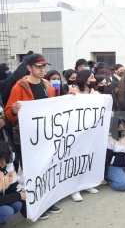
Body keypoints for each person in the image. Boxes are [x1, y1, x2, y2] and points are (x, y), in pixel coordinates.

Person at [4, 54, 61, 220]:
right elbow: (9, 114)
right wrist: (14, 110)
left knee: (44, 167)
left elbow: (54, 107)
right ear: (29, 68)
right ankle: (32, 202)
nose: (43, 70)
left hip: (44, 135)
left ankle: (45, 199)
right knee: (29, 170)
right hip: (25, 138)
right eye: (39, 66)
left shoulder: (48, 85)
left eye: (44, 66)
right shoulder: (19, 87)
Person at [67, 70, 100, 201]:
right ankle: (74, 188)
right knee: (77, 159)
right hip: (77, 131)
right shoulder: (74, 92)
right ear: (84, 79)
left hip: (91, 131)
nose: (94, 80)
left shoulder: (95, 93)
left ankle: (87, 183)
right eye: (91, 77)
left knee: (88, 157)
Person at [0, 141, 24, 225]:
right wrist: (18, 195)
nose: (4, 164)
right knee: (7, 211)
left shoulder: (7, 165)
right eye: (2, 161)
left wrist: (29, 215)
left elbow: (13, 187)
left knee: (17, 204)